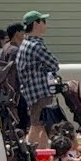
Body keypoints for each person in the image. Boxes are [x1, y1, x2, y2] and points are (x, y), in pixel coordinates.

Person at [15, 11, 59, 149]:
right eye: (43, 21)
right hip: (40, 93)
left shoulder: (25, 43)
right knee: (42, 128)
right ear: (36, 24)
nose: (45, 25)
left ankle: (30, 159)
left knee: (36, 127)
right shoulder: (36, 46)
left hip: (31, 93)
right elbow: (54, 64)